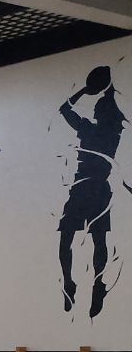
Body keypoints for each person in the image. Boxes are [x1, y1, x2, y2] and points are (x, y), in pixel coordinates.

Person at [58, 66, 125, 317]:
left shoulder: (90, 130)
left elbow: (65, 109)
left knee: (72, 238)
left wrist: (85, 91)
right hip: (96, 188)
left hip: (85, 187)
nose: (94, 110)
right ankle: (93, 284)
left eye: (98, 109)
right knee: (97, 240)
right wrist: (103, 90)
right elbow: (109, 104)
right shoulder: (111, 132)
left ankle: (76, 283)